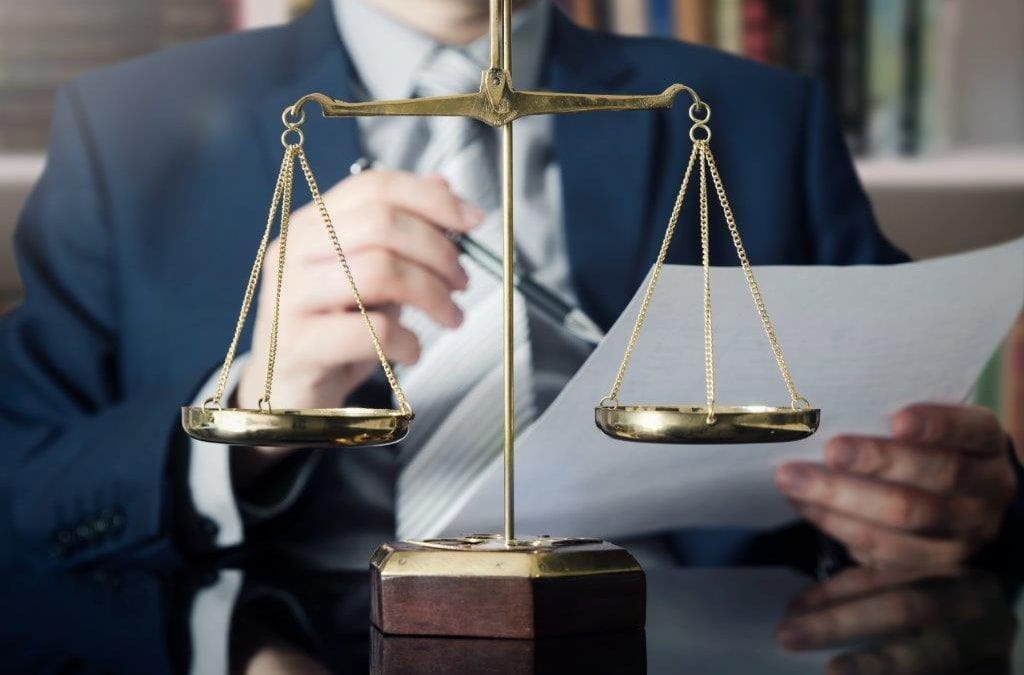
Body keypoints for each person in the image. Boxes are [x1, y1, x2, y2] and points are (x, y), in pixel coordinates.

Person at [1, 0, 1019, 571]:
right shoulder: (132, 126)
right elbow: (25, 488)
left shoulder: (754, 117)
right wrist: (253, 411)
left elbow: (926, 443)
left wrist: (962, 496)